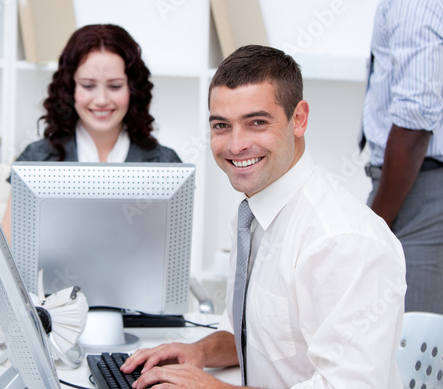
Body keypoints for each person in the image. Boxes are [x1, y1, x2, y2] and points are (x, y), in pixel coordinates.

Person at [121, 45, 407, 388]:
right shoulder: (251, 212)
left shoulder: (342, 241)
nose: (236, 144)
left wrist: (213, 388)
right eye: (221, 125)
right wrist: (201, 353)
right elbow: (256, 336)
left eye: (257, 122)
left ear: (298, 118)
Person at [2, 24, 181, 240]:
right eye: (88, 86)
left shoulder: (164, 164)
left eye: (115, 86)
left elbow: (169, 254)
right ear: (70, 89)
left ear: (132, 89)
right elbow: (9, 257)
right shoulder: (37, 160)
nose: (102, 100)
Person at [361, 0, 443, 313]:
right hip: (415, 181)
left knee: (409, 345)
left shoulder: (414, 3)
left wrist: (375, 225)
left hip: (418, 188)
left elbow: (415, 120)